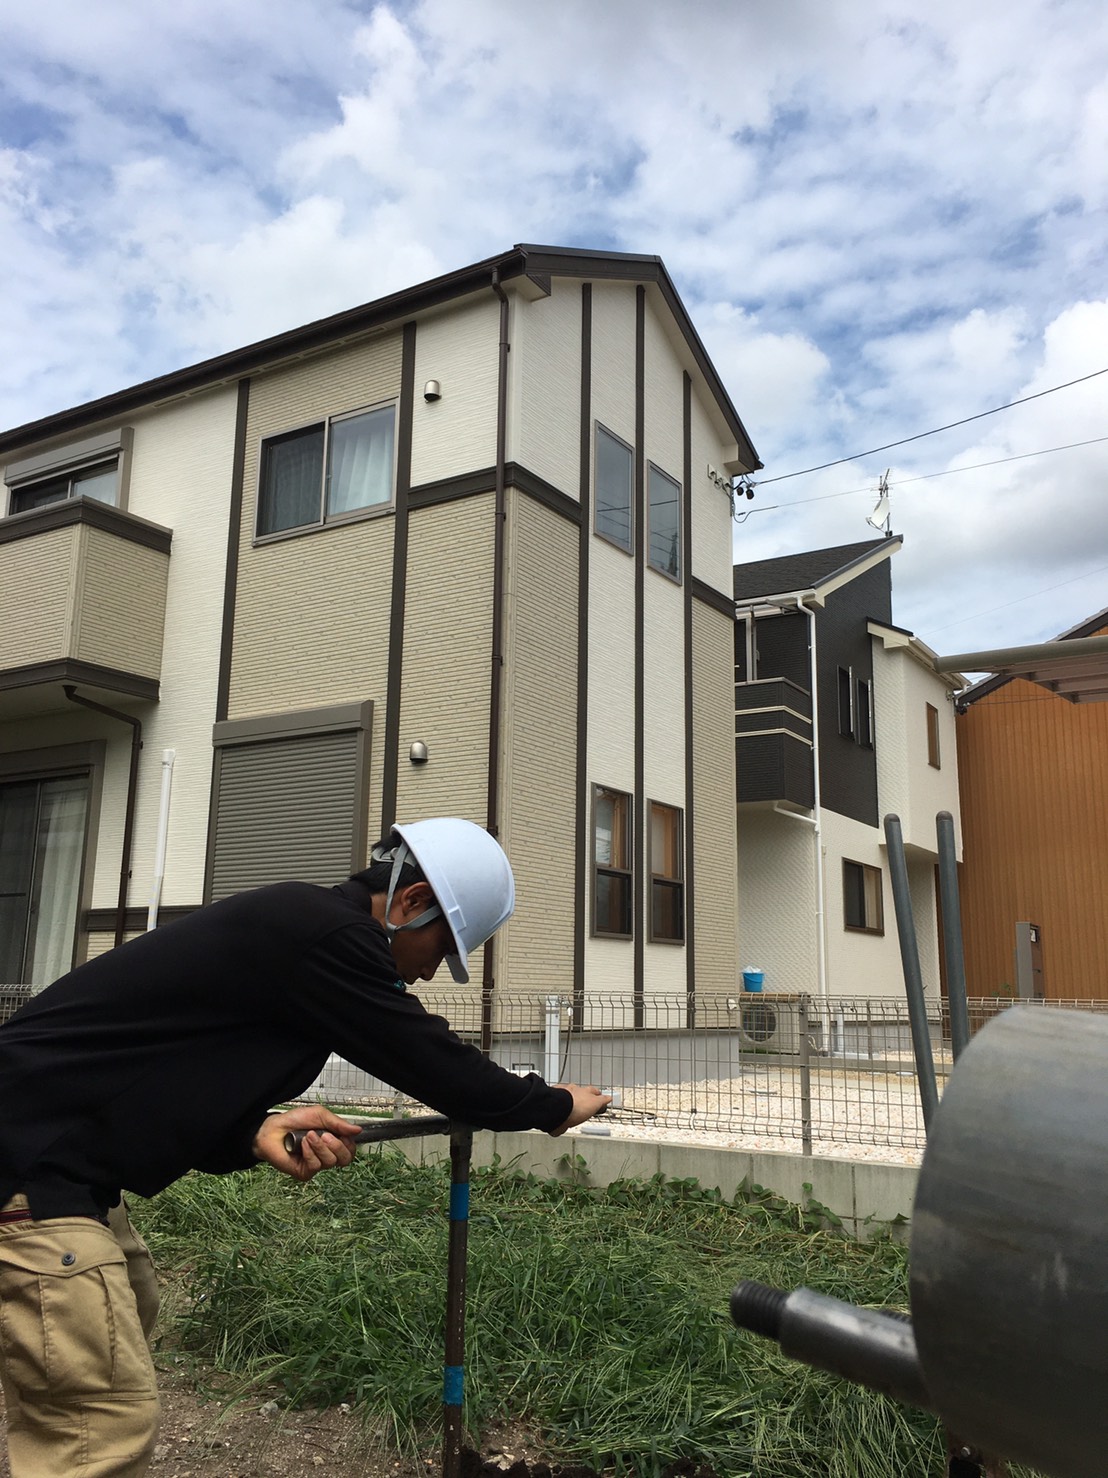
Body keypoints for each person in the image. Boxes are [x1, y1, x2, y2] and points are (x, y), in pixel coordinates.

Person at [0, 817, 610, 1477]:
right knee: (102, 1422)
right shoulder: (331, 935)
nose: (432, 972)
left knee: (126, 1309)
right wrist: (549, 1104)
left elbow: (172, 1075)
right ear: (411, 903)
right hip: (30, 1168)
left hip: (55, 1164)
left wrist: (252, 1133)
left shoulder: (300, 937)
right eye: (440, 948)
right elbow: (436, 1064)